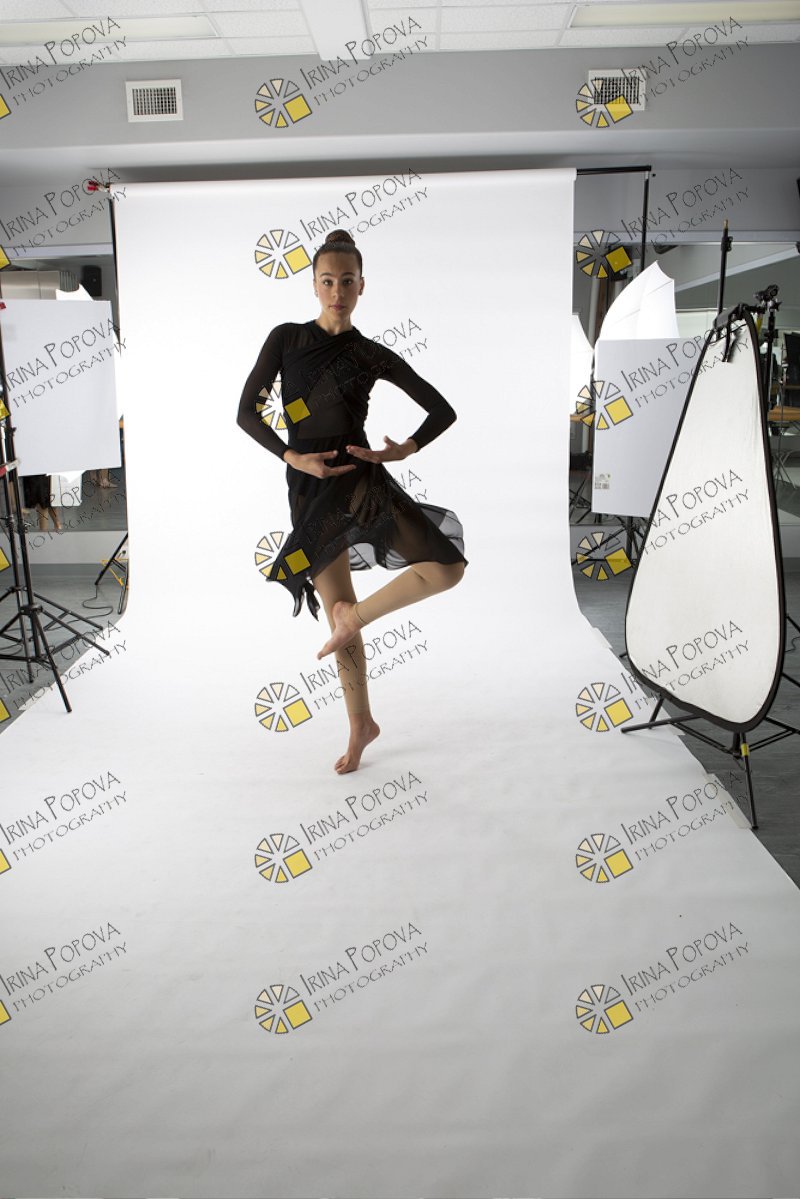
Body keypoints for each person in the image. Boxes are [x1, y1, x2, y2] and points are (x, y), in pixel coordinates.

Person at [237, 229, 467, 774]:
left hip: (361, 481)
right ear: (314, 285)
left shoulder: (369, 353)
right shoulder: (286, 339)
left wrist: (404, 448)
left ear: (362, 285)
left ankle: (353, 618)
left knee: (446, 568)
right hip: (310, 487)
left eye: (346, 281)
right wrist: (294, 457)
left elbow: (442, 410)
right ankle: (361, 723)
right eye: (327, 281)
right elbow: (248, 412)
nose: (336, 291)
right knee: (336, 604)